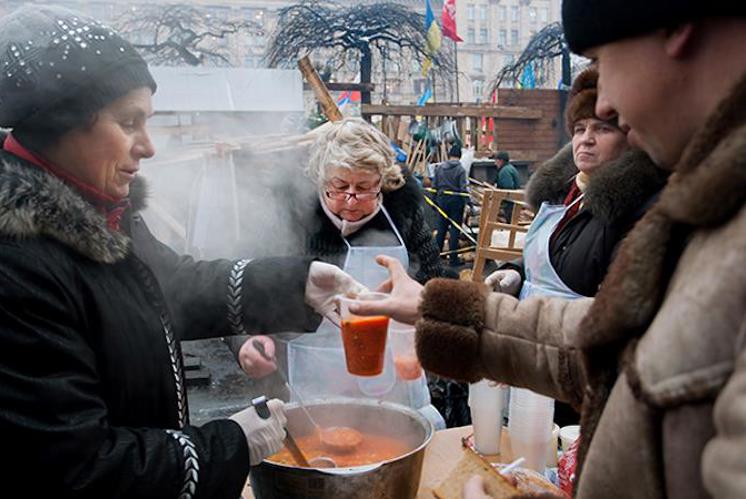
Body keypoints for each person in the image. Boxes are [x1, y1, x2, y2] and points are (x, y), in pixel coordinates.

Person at [350, 2, 746, 497]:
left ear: (677, 28)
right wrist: (443, 310)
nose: (603, 107)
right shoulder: (713, 210)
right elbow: (616, 346)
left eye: (603, 58)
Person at [0, 6, 364, 498]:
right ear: (61, 125)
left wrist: (299, 283)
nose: (148, 147)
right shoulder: (16, 264)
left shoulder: (99, 211)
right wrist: (227, 444)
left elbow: (173, 284)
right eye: (129, 122)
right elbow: (77, 468)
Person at [227, 118, 445, 428]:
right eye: (339, 187)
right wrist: (245, 343)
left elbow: (435, 281)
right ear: (321, 179)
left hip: (393, 381)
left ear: (383, 181)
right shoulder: (288, 216)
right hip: (312, 384)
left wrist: (420, 313)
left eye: (365, 188)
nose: (351, 200)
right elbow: (239, 287)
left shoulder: (403, 209)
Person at [486, 67, 667, 427]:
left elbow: (611, 313)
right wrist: (515, 274)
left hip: (575, 377)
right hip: (527, 356)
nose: (585, 139)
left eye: (602, 129)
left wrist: (513, 344)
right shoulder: (566, 193)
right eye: (580, 129)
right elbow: (554, 258)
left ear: (630, 138)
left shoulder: (635, 210)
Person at [434, 143, 469, 266]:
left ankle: (436, 259)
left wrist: (434, 202)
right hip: (456, 203)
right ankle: (453, 259)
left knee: (441, 230)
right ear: (459, 156)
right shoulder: (460, 170)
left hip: (442, 201)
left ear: (449, 155)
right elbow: (463, 189)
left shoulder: (439, 168)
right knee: (455, 231)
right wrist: (468, 203)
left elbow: (435, 186)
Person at [493, 150, 520, 221]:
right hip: (514, 200)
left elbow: (508, 188)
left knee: (510, 220)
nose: (495, 163)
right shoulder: (510, 168)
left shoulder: (505, 171)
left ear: (501, 161)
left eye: (496, 160)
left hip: (510, 202)